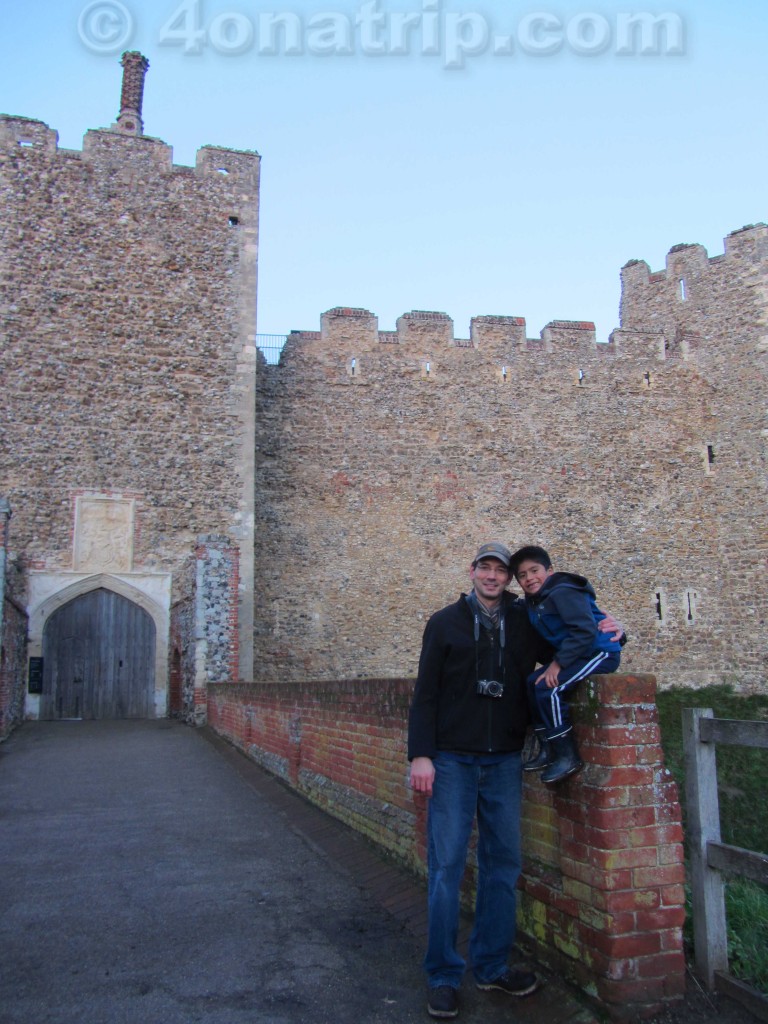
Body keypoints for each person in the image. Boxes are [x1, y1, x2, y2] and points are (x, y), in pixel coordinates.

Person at [408, 542, 623, 1019]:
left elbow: (571, 641)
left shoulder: (525, 621)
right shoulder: (444, 623)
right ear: (472, 572)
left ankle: (490, 964)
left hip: (505, 759)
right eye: (484, 568)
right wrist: (421, 755)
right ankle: (443, 974)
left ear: (507, 579)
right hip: (453, 760)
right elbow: (425, 694)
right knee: (445, 867)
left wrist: (612, 631)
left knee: (503, 865)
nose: (491, 576)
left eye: (499, 571)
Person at [509, 545, 623, 785]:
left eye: (534, 570)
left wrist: (557, 664)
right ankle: (547, 748)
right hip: (577, 654)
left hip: (599, 652)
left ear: (549, 570)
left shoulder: (563, 592)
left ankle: (566, 755)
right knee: (532, 683)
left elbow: (584, 631)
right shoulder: (534, 602)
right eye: (522, 575)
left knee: (549, 688)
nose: (529, 578)